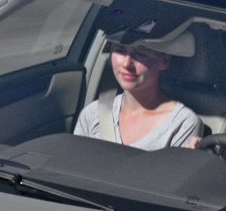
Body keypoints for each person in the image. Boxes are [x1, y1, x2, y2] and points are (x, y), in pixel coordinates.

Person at [74, 21, 206, 150]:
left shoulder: (183, 124)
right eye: (120, 50)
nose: (126, 64)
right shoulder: (92, 114)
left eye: (141, 54)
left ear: (164, 61)